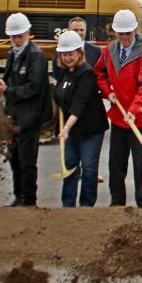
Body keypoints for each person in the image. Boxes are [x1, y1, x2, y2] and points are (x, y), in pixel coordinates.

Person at [95, 9, 142, 208]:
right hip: (119, 117)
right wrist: (108, 92)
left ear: (135, 31)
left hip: (141, 119)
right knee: (116, 164)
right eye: (120, 33)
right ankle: (117, 204)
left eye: (128, 33)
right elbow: (100, 74)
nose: (124, 37)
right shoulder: (109, 50)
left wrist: (134, 109)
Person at [0, 13, 52, 207]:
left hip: (29, 117)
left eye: (20, 36)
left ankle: (29, 199)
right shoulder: (12, 54)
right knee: (14, 159)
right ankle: (18, 196)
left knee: (27, 161)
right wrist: (6, 85)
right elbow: (12, 79)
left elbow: (34, 88)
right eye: (13, 36)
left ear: (28, 33)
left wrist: (8, 90)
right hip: (13, 115)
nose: (17, 40)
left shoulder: (36, 56)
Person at [54, 30, 108, 207]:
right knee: (69, 165)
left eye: (71, 53)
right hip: (72, 128)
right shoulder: (63, 72)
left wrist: (67, 127)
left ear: (79, 53)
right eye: (64, 54)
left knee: (89, 168)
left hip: (90, 128)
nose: (68, 57)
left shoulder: (87, 73)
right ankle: (67, 205)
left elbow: (79, 104)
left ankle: (86, 207)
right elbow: (60, 98)